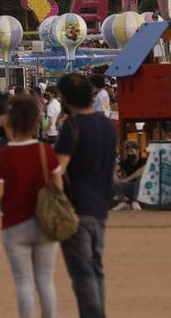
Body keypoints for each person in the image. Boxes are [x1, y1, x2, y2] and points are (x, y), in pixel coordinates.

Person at [0, 95, 60, 318]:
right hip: (45, 221)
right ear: (36, 123)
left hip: (15, 224)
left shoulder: (3, 156)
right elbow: (58, 186)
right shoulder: (46, 152)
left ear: (11, 124)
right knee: (46, 281)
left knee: (23, 282)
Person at [55, 72, 119, 318]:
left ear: (67, 99)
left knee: (82, 273)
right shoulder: (106, 125)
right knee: (96, 268)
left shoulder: (72, 127)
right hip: (100, 206)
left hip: (76, 208)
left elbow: (58, 172)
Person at [113, 140, 146, 210]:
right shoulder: (125, 162)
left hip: (142, 189)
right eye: (127, 152)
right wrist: (115, 176)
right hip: (128, 186)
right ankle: (123, 202)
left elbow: (141, 171)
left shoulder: (144, 161)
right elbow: (114, 170)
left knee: (142, 177)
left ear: (137, 151)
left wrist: (126, 179)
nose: (129, 154)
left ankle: (135, 201)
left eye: (131, 151)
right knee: (111, 176)